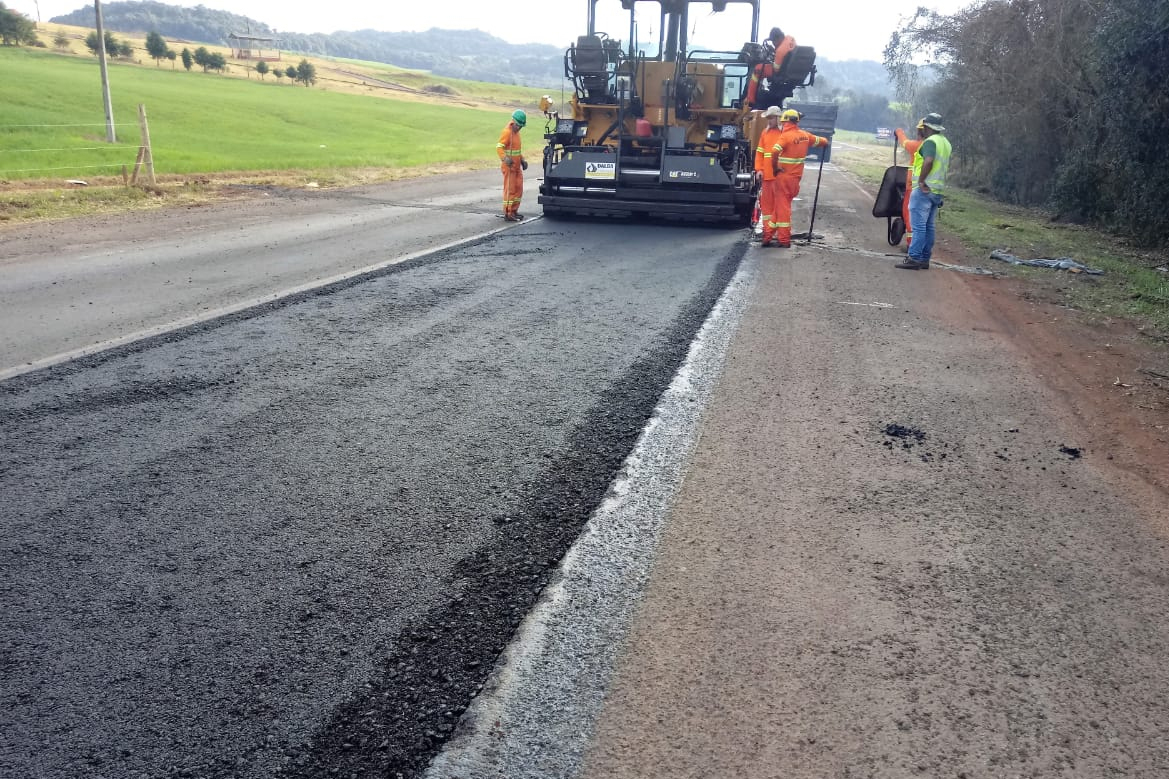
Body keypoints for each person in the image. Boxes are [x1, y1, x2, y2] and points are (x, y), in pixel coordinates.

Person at [765, 107, 828, 248]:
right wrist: (825, 142)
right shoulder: (805, 135)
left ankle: (784, 239)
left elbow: (774, 152)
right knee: (780, 207)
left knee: (783, 209)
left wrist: (775, 168)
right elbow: (821, 141)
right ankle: (767, 236)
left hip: (783, 178)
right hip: (795, 180)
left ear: (785, 122)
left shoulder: (785, 136)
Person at [895, 113, 952, 270]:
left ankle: (914, 258)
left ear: (926, 127)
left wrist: (921, 181)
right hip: (937, 190)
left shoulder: (930, 142)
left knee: (918, 226)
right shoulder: (945, 143)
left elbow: (928, 161)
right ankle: (925, 259)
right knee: (929, 226)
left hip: (924, 190)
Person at [746, 27, 797, 108]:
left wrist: (772, 59)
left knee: (758, 69)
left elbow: (776, 69)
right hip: (789, 69)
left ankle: (750, 100)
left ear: (778, 38)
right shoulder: (790, 39)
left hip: (781, 71)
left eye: (773, 41)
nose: (773, 43)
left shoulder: (780, 51)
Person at [893, 121, 925, 249]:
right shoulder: (934, 146)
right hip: (928, 187)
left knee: (909, 214)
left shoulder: (918, 145)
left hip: (913, 186)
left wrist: (898, 131)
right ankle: (920, 247)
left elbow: (904, 142)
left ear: (920, 132)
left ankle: (911, 245)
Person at [497, 109, 529, 221]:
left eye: (521, 126)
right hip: (509, 167)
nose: (519, 128)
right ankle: (508, 212)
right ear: (513, 122)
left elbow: (516, 151)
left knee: (518, 189)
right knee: (510, 190)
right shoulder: (507, 132)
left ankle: (514, 210)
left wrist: (522, 160)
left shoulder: (517, 134)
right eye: (518, 125)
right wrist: (505, 158)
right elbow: (499, 147)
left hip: (516, 167)